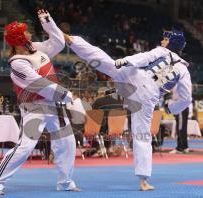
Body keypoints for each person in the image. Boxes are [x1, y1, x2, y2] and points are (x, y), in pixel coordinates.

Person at [64, 29, 192, 191]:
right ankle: (143, 180)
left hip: (135, 78)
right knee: (143, 135)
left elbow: (144, 57)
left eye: (165, 40)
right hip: (147, 96)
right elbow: (187, 98)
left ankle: (73, 42)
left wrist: (126, 61)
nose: (162, 41)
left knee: (106, 62)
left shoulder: (162, 51)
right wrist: (171, 107)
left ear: (171, 43)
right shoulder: (184, 71)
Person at [0, 9, 80, 195]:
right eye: (25, 32)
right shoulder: (17, 62)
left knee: (67, 143)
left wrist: (47, 22)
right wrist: (68, 96)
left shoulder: (36, 48)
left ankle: (65, 182)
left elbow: (58, 42)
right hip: (35, 107)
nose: (29, 33)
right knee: (25, 147)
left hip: (55, 105)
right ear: (19, 39)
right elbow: (40, 84)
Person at [169, 86, 190, 154]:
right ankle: (185, 147)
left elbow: (177, 96)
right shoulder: (180, 82)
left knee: (180, 128)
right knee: (182, 128)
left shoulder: (180, 83)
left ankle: (180, 148)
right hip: (181, 106)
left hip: (181, 106)